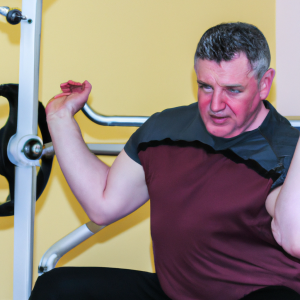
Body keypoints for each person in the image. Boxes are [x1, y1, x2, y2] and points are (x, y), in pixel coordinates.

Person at [31, 22, 300, 300]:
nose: (216, 105)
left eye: (233, 90)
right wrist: (59, 119)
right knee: (58, 289)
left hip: (257, 296)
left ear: (264, 84)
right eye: (206, 87)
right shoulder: (165, 129)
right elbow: (103, 204)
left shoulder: (284, 152)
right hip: (176, 294)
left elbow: (294, 238)